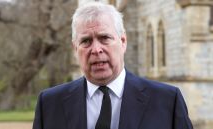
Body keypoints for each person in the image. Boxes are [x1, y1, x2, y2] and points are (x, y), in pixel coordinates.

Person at [33, 2, 193, 129]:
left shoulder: (167, 101)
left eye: (104, 38)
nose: (96, 49)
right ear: (75, 48)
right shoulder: (49, 104)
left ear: (123, 42)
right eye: (86, 41)